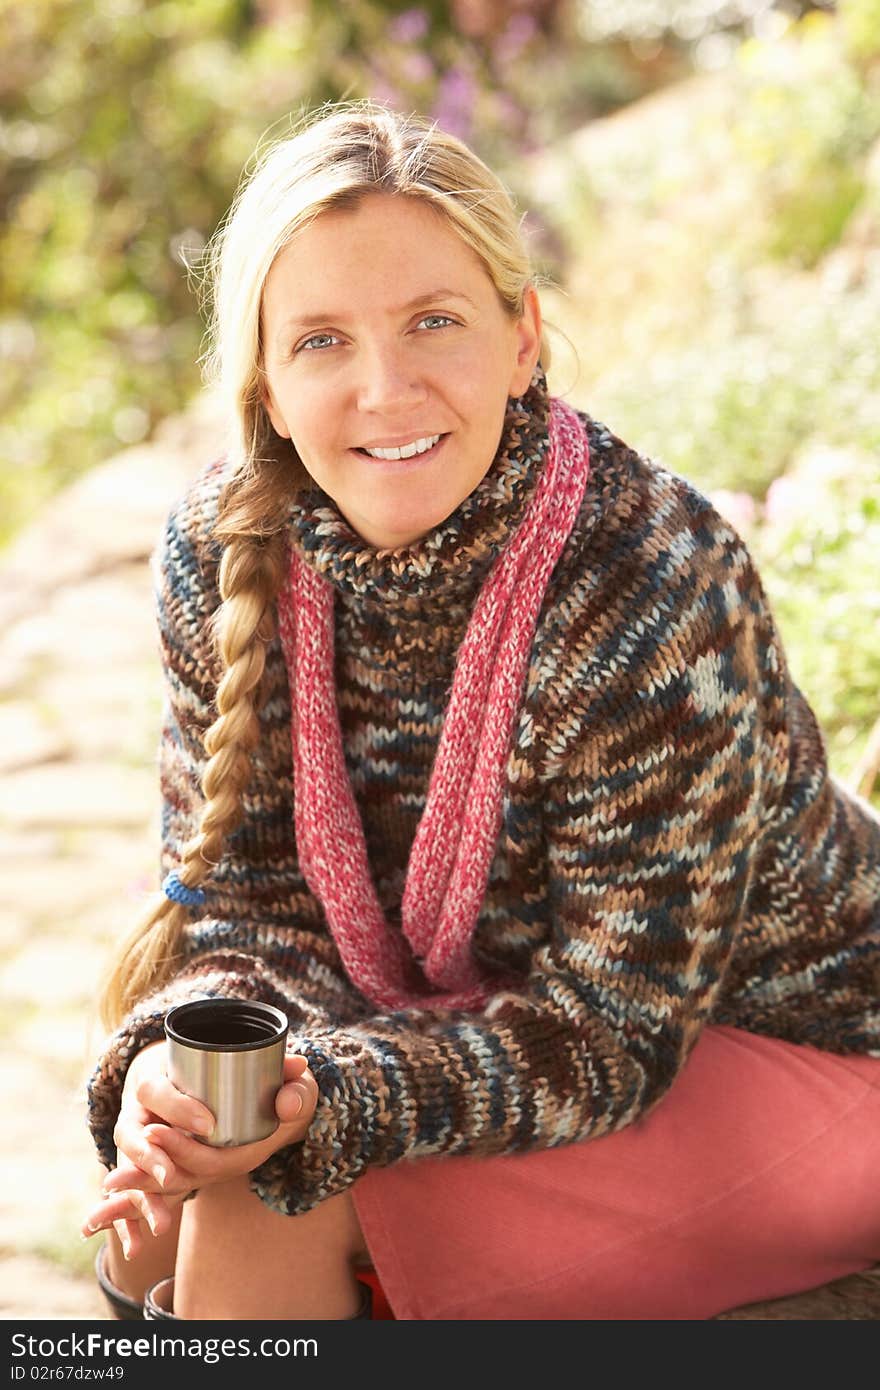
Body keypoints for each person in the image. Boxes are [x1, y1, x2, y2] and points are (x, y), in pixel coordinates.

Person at [81, 100, 880, 1323]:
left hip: (793, 1051)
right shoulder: (223, 553)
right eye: (322, 342)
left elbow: (614, 1026)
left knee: (272, 1183)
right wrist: (182, 1072)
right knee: (205, 1181)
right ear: (265, 380)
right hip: (493, 1037)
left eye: (434, 322)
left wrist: (317, 1100)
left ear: (523, 341)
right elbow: (242, 908)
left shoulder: (645, 579)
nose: (384, 389)